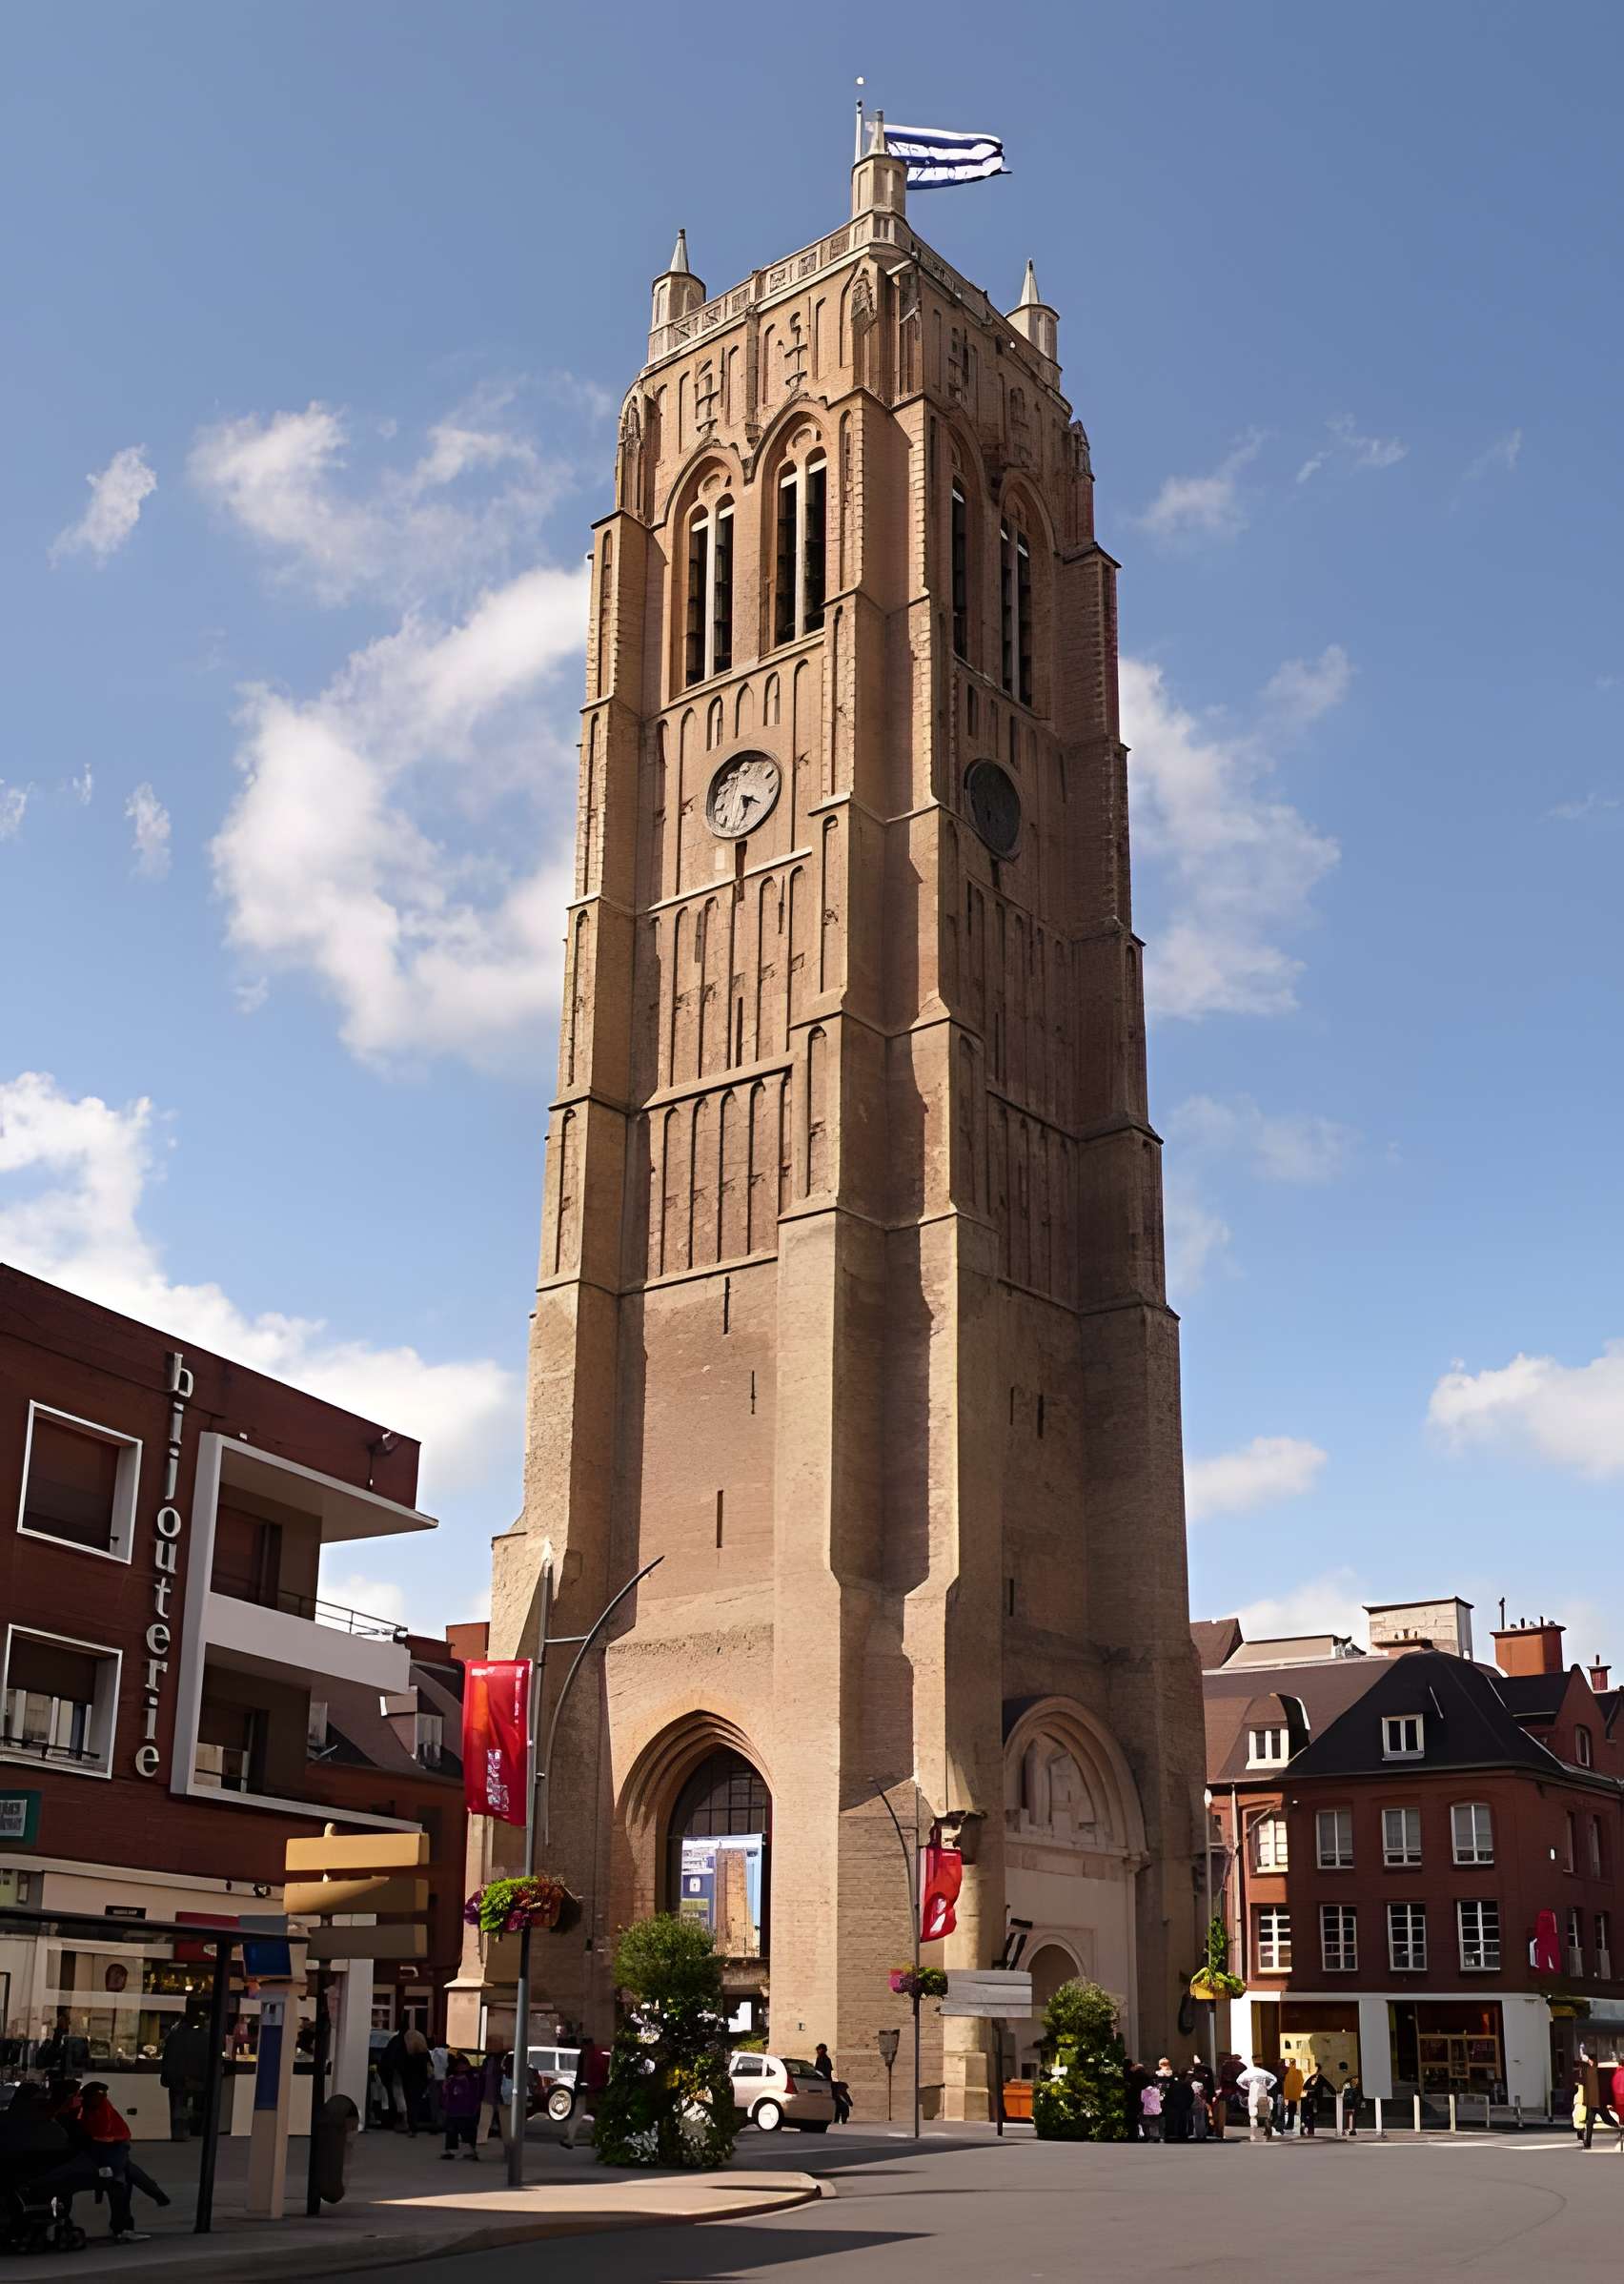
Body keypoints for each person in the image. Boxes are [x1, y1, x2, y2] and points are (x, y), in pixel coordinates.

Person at [62, 2084, 170, 2213]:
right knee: (127, 2169)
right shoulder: (87, 2106)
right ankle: (155, 2192)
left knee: (120, 2172)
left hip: (114, 2143)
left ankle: (152, 2192)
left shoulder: (99, 2107)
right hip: (108, 2143)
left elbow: (102, 2129)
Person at [160, 2013, 212, 2141]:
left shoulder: (175, 2036)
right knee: (194, 2104)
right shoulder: (205, 2037)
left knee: (178, 2104)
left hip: (178, 2077)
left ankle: (179, 2132)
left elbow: (168, 2057)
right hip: (196, 2077)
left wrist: (167, 2076)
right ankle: (194, 2130)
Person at [565, 2035, 610, 2150]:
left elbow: (590, 2073)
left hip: (591, 2090)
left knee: (588, 2115)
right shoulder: (594, 2054)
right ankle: (575, 2139)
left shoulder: (593, 2056)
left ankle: (576, 2139)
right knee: (589, 2115)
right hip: (592, 2090)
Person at [439, 2054, 481, 2159]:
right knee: (452, 2130)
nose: (461, 2067)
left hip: (467, 2110)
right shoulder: (451, 2079)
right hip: (453, 2110)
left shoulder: (472, 2078)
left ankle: (470, 2149)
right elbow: (445, 2093)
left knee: (468, 2131)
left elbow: (475, 2093)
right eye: (459, 2065)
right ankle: (451, 2150)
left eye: (464, 2065)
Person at [1579, 2046, 1615, 2151]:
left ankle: (1619, 2129)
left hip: (1597, 2102)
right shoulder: (1591, 2071)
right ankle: (1587, 2142)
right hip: (1595, 2102)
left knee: (1604, 2119)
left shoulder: (1595, 2071)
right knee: (1591, 2122)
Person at [399, 2027, 432, 2137]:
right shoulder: (425, 2054)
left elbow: (402, 2068)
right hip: (422, 2081)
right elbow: (429, 2068)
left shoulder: (408, 2055)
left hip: (409, 2081)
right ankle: (414, 2126)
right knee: (416, 2104)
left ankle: (412, 2127)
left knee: (410, 2104)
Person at [477, 2047, 511, 2148]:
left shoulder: (500, 2060)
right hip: (495, 2095)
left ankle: (482, 2139)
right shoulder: (493, 2060)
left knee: (486, 2120)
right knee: (503, 2122)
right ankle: (507, 2141)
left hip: (495, 2095)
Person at [1236, 2060, 1278, 2140]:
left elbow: (1239, 2081)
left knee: (1253, 2116)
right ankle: (1268, 2133)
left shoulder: (1248, 2073)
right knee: (1266, 2116)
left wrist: (1247, 2087)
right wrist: (1267, 2086)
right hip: (1262, 2097)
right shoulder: (1265, 2074)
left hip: (1253, 2097)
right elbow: (1273, 2081)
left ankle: (1252, 2135)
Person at [812, 2044, 851, 2125]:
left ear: (822, 2050)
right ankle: (835, 2118)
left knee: (833, 2101)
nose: (818, 2052)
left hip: (825, 2083)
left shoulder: (824, 2059)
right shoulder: (821, 2058)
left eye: (819, 2050)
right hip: (823, 2083)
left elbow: (823, 2072)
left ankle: (837, 2117)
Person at [1164, 2069, 1194, 2144]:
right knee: (1182, 2121)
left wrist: (1167, 2103)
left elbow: (1168, 2095)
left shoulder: (1173, 2084)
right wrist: (1188, 2105)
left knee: (1173, 2120)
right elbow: (1191, 2096)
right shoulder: (1186, 2085)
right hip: (1182, 2105)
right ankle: (1181, 2134)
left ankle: (1172, 2134)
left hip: (1173, 2105)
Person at [1301, 2064, 1329, 2138]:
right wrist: (1311, 2084)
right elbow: (1304, 2087)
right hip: (1308, 2098)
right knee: (1308, 2114)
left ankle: (1309, 2129)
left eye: (1316, 2069)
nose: (1315, 2071)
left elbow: (1328, 2085)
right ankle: (1307, 2129)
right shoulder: (1309, 2077)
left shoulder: (1321, 2078)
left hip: (1316, 2099)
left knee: (1312, 2115)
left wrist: (1335, 2092)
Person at [1280, 2057, 1304, 2136]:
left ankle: (1291, 2125)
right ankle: (1291, 2124)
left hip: (1293, 2094)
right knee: (1291, 2111)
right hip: (1293, 2094)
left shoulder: (1293, 2071)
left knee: (1292, 2111)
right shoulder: (1292, 2071)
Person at [1139, 2076, 1164, 2142]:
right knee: (1155, 2123)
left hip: (1147, 2110)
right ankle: (1156, 2136)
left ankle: (1149, 2136)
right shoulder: (1157, 2090)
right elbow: (1159, 2099)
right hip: (1156, 2110)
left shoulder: (1144, 2091)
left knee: (1147, 2123)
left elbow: (1142, 2100)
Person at [1340, 2066, 1362, 2138]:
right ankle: (1348, 2129)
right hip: (1348, 2102)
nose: (1357, 2081)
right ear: (1353, 2079)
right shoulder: (1347, 2086)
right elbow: (1343, 2093)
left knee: (1352, 2116)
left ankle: (1351, 2129)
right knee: (1348, 2115)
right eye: (1356, 2079)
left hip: (1353, 2103)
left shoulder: (1356, 2087)